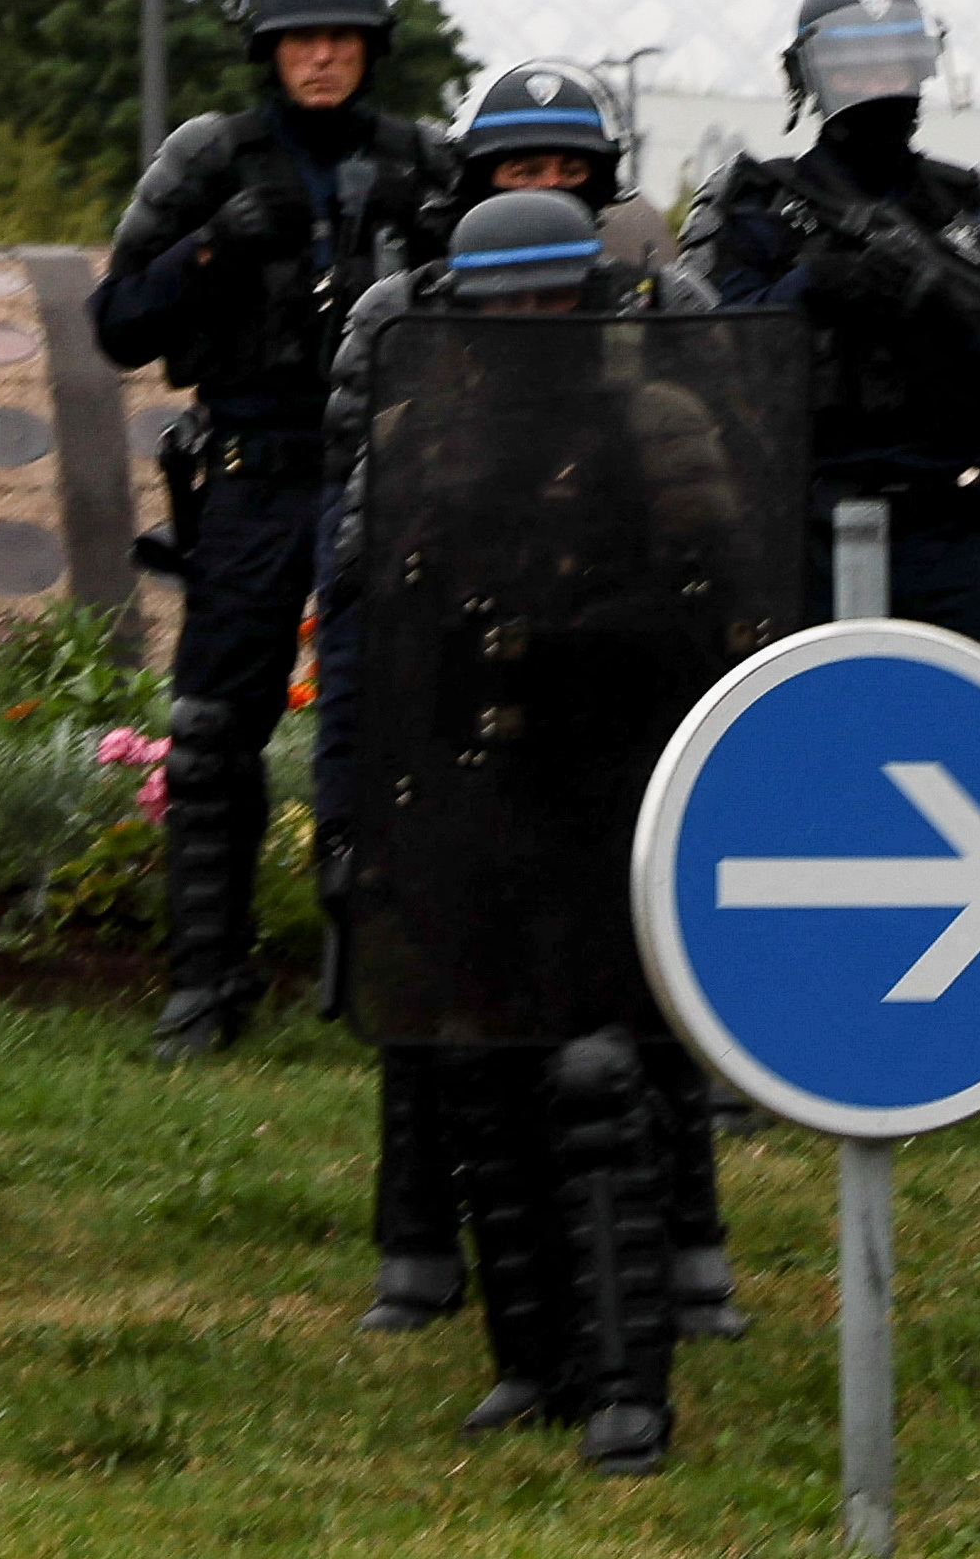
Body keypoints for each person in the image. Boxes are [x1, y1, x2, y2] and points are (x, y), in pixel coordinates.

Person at [313, 185, 766, 1470]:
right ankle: (531, 1359)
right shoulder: (417, 435)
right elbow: (367, 629)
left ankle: (629, 1381)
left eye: (549, 292)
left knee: (602, 1074)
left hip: (614, 785)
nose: (526, 317)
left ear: (591, 296)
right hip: (466, 788)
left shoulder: (659, 424)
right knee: (475, 1069)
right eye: (502, 298)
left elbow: (730, 615)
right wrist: (349, 806)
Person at [681, 0, 980, 1098]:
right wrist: (816, 283)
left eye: (897, 56)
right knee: (779, 766)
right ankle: (748, 1029)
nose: (877, 81)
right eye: (851, 60)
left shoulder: (975, 206)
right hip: (799, 517)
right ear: (808, 76)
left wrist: (925, 298)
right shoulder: (751, 202)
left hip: (944, 519)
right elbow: (711, 360)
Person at [93, 0, 469, 1061]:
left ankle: (408, 969)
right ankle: (206, 982)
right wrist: (207, 251)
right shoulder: (208, 158)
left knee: (422, 727)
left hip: (396, 474)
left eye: (341, 40)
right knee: (212, 736)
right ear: (269, 52)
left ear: (370, 51)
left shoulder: (426, 164)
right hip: (255, 476)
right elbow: (117, 322)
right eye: (302, 41)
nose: (321, 58)